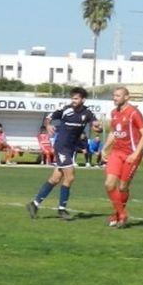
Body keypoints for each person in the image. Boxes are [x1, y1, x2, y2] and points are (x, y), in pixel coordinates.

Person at [25, 88, 98, 221]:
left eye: (76, 98)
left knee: (55, 179)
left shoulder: (88, 113)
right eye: (73, 98)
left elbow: (95, 124)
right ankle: (62, 209)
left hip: (71, 148)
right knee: (70, 177)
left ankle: (34, 204)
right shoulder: (66, 110)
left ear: (83, 100)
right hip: (62, 146)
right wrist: (48, 125)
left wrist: (97, 127)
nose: (73, 101)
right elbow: (49, 117)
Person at [100, 85, 143, 228]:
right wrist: (105, 149)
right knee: (109, 184)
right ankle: (123, 214)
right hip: (117, 152)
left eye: (118, 96)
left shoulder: (134, 113)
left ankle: (117, 214)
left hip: (131, 154)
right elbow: (113, 133)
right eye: (114, 96)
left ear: (127, 97)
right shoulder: (114, 113)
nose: (115, 98)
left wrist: (136, 153)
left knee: (122, 187)